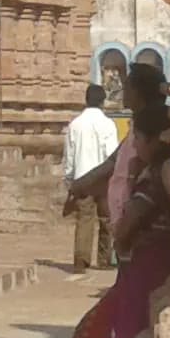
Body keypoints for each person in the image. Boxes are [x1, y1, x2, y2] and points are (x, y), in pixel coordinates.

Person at [65, 61, 170, 338]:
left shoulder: (153, 140)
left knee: (128, 309)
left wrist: (121, 229)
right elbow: (111, 164)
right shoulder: (141, 128)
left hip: (144, 239)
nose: (124, 92)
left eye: (129, 87)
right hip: (136, 237)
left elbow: (117, 174)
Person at [61, 81, 120, 273]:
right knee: (105, 218)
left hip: (82, 178)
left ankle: (81, 259)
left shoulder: (75, 124)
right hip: (102, 178)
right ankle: (104, 259)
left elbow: (69, 154)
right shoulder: (107, 124)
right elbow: (112, 155)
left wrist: (69, 177)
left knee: (84, 219)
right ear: (103, 101)